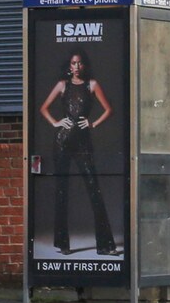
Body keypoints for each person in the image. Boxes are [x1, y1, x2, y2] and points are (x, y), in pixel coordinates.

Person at [38, 49, 116, 255]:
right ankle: (63, 244)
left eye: (80, 63)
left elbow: (108, 109)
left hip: (82, 142)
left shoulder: (93, 85)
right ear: (69, 66)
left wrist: (93, 123)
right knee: (61, 189)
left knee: (93, 188)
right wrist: (56, 122)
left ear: (84, 65)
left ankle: (105, 245)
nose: (77, 66)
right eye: (73, 63)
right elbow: (43, 108)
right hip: (62, 141)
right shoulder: (62, 85)